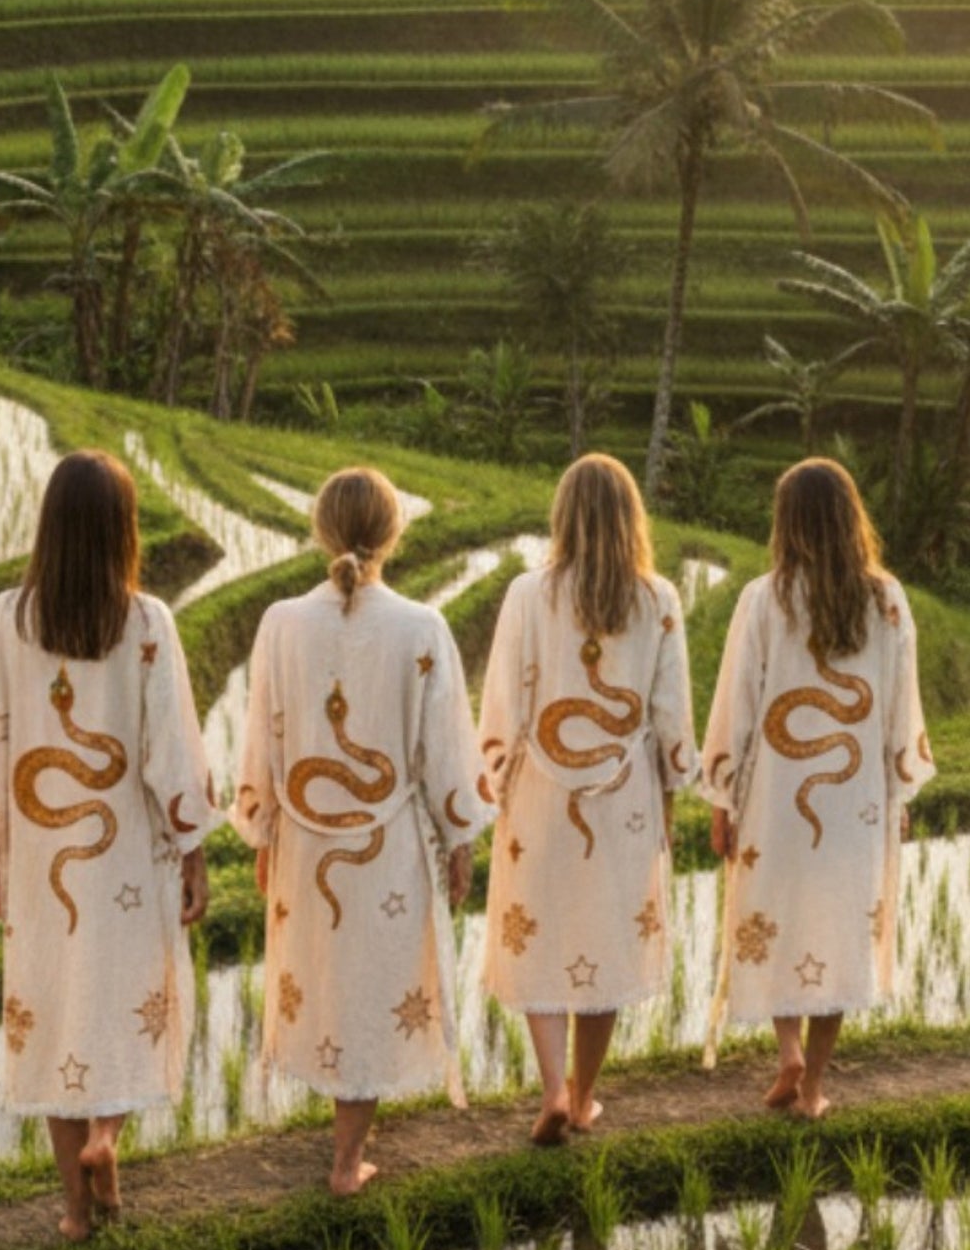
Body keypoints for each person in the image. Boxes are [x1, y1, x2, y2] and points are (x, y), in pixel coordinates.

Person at [0, 450, 215, 1240]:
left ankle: (73, 1212)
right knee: (128, 1006)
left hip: (41, 866)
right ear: (122, 532)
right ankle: (107, 1140)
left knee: (59, 1013)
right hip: (129, 858)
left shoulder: (7, 619)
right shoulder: (144, 624)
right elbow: (172, 750)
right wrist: (194, 853)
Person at [233, 467, 488, 1195]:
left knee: (323, 972)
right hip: (390, 853)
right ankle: (348, 1160)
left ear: (319, 530)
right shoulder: (421, 628)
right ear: (395, 534)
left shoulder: (281, 623)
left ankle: (341, 1145)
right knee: (375, 981)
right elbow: (444, 751)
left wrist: (265, 830)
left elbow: (265, 740)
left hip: (306, 846)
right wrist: (460, 837)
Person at [700, 459, 933, 1120]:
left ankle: (787, 1053)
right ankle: (814, 1086)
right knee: (838, 924)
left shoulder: (764, 599)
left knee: (775, 912)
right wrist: (899, 794)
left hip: (776, 800)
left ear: (788, 524)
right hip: (855, 801)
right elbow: (899, 707)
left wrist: (722, 793)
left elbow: (736, 705)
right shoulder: (886, 599)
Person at [478, 455, 697, 1146]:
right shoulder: (657, 599)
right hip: (623, 798)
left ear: (562, 515)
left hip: (540, 796)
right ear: (633, 517)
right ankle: (583, 1095)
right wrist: (669, 797)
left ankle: (550, 1088)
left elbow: (502, 705)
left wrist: (496, 776)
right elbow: (670, 718)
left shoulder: (526, 595)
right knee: (603, 940)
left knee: (537, 931)